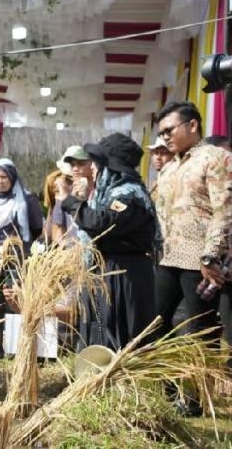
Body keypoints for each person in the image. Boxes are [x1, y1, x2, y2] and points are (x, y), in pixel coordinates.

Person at [60, 133, 158, 351]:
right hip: (109, 271)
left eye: (98, 163)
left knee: (120, 338)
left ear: (111, 167)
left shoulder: (129, 195)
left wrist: (74, 202)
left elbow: (102, 223)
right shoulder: (110, 193)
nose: (93, 168)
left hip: (125, 275)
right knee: (101, 333)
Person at [153, 102, 232, 348]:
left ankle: (204, 385)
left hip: (200, 261)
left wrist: (210, 256)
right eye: (161, 133)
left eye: (169, 130)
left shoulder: (216, 157)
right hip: (169, 258)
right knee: (153, 324)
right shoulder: (169, 168)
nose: (165, 137)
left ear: (193, 125)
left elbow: (225, 209)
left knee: (201, 332)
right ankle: (167, 386)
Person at [0, 158, 44, 357]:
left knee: (15, 300)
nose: (0, 181)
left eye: (3, 177)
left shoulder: (26, 199)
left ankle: (15, 349)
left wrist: (15, 246)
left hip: (16, 258)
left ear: (12, 177)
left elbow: (36, 228)